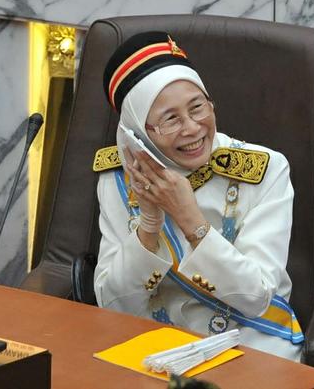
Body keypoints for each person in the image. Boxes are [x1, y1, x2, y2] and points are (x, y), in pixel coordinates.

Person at [93, 32, 303, 360]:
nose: (192, 128)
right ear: (137, 133)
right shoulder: (120, 180)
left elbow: (255, 297)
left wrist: (190, 219)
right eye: (170, 119)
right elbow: (114, 305)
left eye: (198, 108)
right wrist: (148, 226)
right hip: (160, 351)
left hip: (251, 345)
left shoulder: (264, 169)